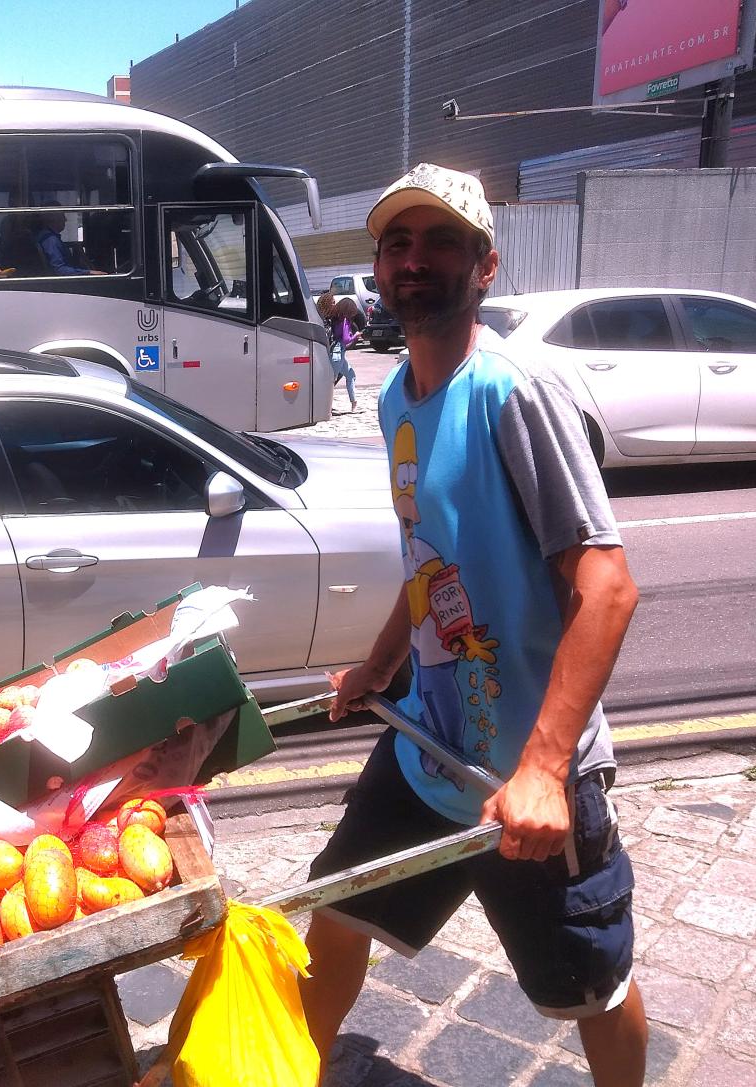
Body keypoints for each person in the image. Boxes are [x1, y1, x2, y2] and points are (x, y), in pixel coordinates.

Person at [300, 163, 647, 1087]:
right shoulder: (394, 398)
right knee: (335, 908)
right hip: (429, 746)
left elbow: (608, 588)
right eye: (398, 243)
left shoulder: (513, 390)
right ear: (378, 266)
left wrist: (542, 771)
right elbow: (429, 558)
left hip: (526, 779)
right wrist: (378, 664)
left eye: (440, 241)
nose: (415, 260)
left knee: (592, 987)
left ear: (483, 265)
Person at [319, 291, 363, 411]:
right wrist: (356, 335)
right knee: (331, 380)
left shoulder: (335, 318)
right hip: (338, 352)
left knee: (350, 375)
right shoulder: (344, 320)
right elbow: (345, 339)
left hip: (338, 352)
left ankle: (354, 403)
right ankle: (324, 406)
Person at [33, 207, 106, 276]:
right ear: (52, 218)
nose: (65, 219)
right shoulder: (50, 240)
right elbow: (59, 269)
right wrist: (89, 272)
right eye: (62, 216)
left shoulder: (48, 237)